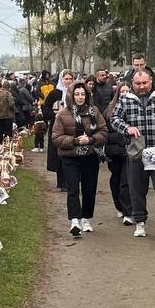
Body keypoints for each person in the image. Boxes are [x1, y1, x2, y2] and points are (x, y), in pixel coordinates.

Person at [109, 68, 155, 239]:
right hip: (136, 152)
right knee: (136, 188)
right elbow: (114, 119)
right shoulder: (125, 99)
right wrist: (127, 128)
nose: (141, 86)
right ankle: (140, 222)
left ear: (151, 81)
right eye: (138, 83)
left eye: (145, 83)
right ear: (132, 83)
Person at [53, 81, 108, 235]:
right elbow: (56, 138)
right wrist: (75, 141)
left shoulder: (94, 111)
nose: (80, 97)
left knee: (89, 189)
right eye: (77, 94)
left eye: (83, 94)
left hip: (90, 156)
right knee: (73, 189)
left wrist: (90, 140)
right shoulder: (63, 114)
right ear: (71, 95)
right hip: (70, 156)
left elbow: (103, 131)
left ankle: (86, 218)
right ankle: (74, 220)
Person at [104, 81, 133, 224]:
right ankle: (119, 206)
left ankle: (128, 211)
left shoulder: (134, 108)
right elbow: (104, 132)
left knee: (125, 180)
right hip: (114, 152)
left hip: (129, 151)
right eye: (122, 91)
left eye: (127, 91)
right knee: (115, 179)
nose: (125, 94)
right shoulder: (109, 110)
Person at [43, 71, 73, 189]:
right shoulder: (54, 94)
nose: (68, 81)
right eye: (66, 79)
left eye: (70, 78)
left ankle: (71, 180)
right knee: (59, 153)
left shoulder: (76, 92)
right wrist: (54, 115)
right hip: (57, 126)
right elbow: (45, 108)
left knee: (71, 151)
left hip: (72, 127)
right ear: (61, 79)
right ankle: (62, 181)